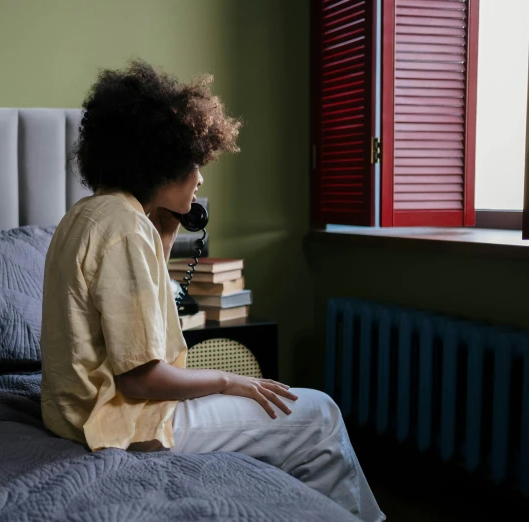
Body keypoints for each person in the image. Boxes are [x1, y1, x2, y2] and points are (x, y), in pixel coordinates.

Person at [40, 59, 385, 522]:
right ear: (160, 160)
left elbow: (134, 315)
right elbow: (140, 377)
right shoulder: (125, 229)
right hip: (118, 423)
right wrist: (230, 381)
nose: (200, 178)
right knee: (320, 413)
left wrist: (163, 227)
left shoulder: (87, 215)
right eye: (195, 163)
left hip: (73, 416)